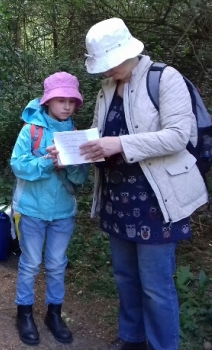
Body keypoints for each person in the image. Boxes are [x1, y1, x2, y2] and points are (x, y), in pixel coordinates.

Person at [78, 18, 207, 350]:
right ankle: (132, 339)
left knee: (155, 286)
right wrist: (71, 150)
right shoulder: (107, 89)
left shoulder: (165, 78)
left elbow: (179, 136)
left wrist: (120, 144)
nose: (105, 72)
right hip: (117, 198)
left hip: (157, 201)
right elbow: (97, 136)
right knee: (125, 277)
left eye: (109, 64)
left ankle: (162, 345)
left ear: (127, 51)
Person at [11, 72, 88, 345]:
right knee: (30, 263)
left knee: (57, 264)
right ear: (48, 101)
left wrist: (70, 166)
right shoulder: (30, 130)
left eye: (71, 101)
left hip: (63, 212)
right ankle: (24, 313)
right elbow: (18, 165)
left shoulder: (77, 135)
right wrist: (47, 161)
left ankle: (53, 314)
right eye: (60, 100)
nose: (67, 106)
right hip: (31, 210)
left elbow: (81, 178)